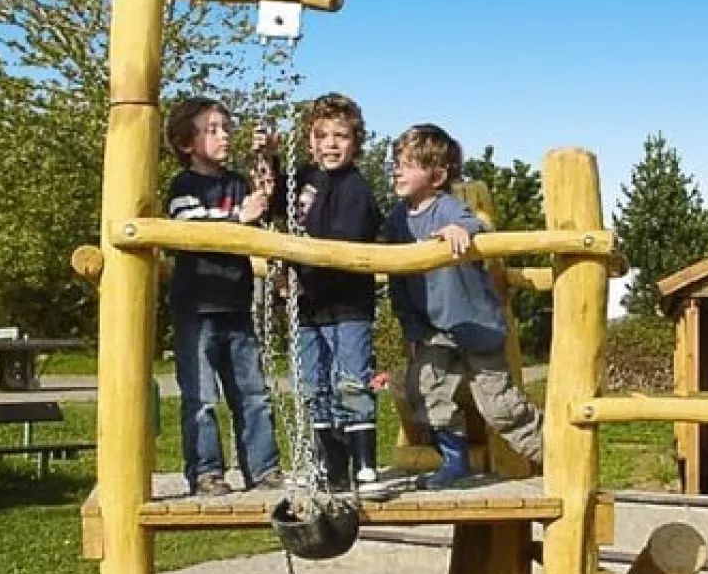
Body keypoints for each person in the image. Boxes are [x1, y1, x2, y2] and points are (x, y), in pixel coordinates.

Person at [384, 124, 542, 488]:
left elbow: (474, 223)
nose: (396, 170)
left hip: (475, 325)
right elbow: (396, 280)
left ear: (436, 176)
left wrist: (461, 230)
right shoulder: (396, 220)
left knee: (499, 406)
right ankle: (454, 461)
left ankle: (552, 452)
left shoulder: (447, 207)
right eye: (396, 163)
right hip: (432, 329)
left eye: (407, 165)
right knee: (424, 389)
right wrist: (410, 328)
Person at [165, 96, 283, 497]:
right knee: (200, 398)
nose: (223, 135)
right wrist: (237, 218)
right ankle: (206, 472)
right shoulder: (184, 187)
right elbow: (189, 226)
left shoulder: (236, 183)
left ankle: (263, 469)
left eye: (225, 128)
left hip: (236, 306)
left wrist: (268, 160)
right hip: (196, 309)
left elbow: (266, 206)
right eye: (211, 130)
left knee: (253, 395)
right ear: (187, 144)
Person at [287, 93, 384, 491]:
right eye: (321, 135)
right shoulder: (305, 180)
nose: (330, 143)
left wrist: (299, 265)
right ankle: (330, 463)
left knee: (351, 380)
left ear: (355, 142)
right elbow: (277, 198)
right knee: (314, 384)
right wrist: (268, 160)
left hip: (347, 301)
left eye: (340, 136)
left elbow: (343, 240)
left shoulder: (355, 188)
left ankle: (364, 464)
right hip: (310, 303)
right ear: (310, 141)